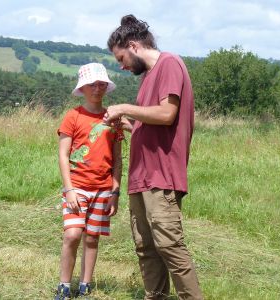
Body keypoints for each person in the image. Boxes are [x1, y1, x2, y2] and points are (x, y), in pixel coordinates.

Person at [103, 15, 204, 300]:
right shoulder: (148, 77)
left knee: (170, 245)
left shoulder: (169, 63)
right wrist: (129, 125)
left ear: (133, 46)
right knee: (146, 248)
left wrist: (125, 107)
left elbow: (167, 113)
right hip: (142, 177)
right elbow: (153, 125)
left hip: (161, 176)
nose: (121, 66)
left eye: (121, 58)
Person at [55, 63, 124, 299]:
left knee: (92, 238)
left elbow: (117, 159)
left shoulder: (113, 119)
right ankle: (64, 285)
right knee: (72, 234)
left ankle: (85, 285)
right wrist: (69, 189)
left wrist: (115, 192)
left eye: (102, 84)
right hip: (77, 186)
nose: (97, 88)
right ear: (82, 88)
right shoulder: (73, 116)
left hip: (103, 189)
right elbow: (63, 155)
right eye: (92, 84)